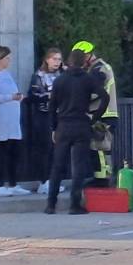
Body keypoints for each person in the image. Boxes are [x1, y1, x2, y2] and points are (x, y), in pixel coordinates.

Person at [45, 49, 109, 215]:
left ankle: (51, 204)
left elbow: (52, 107)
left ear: (69, 61)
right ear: (83, 62)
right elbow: (105, 97)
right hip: (81, 124)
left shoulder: (60, 80)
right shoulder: (88, 79)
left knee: (57, 166)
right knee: (78, 167)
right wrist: (94, 117)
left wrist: (53, 127)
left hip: (63, 126)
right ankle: (74, 205)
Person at [0, 46, 30, 197]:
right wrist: (10, 97)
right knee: (1, 154)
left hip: (12, 120)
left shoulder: (7, 74)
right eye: (7, 58)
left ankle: (13, 183)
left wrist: (18, 97)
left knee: (13, 154)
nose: (9, 61)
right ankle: (0, 185)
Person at [72, 41, 118, 186]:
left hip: (103, 115)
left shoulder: (98, 70)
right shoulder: (97, 68)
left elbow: (94, 92)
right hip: (102, 114)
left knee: (100, 146)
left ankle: (103, 179)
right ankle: (101, 177)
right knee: (96, 146)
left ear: (88, 55)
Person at [29, 48, 65, 194]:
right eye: (54, 59)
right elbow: (33, 95)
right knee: (45, 148)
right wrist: (49, 96)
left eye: (59, 59)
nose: (57, 62)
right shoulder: (39, 75)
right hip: (43, 115)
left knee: (57, 149)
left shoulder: (61, 74)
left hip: (59, 115)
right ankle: (43, 181)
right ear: (47, 59)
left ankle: (53, 180)